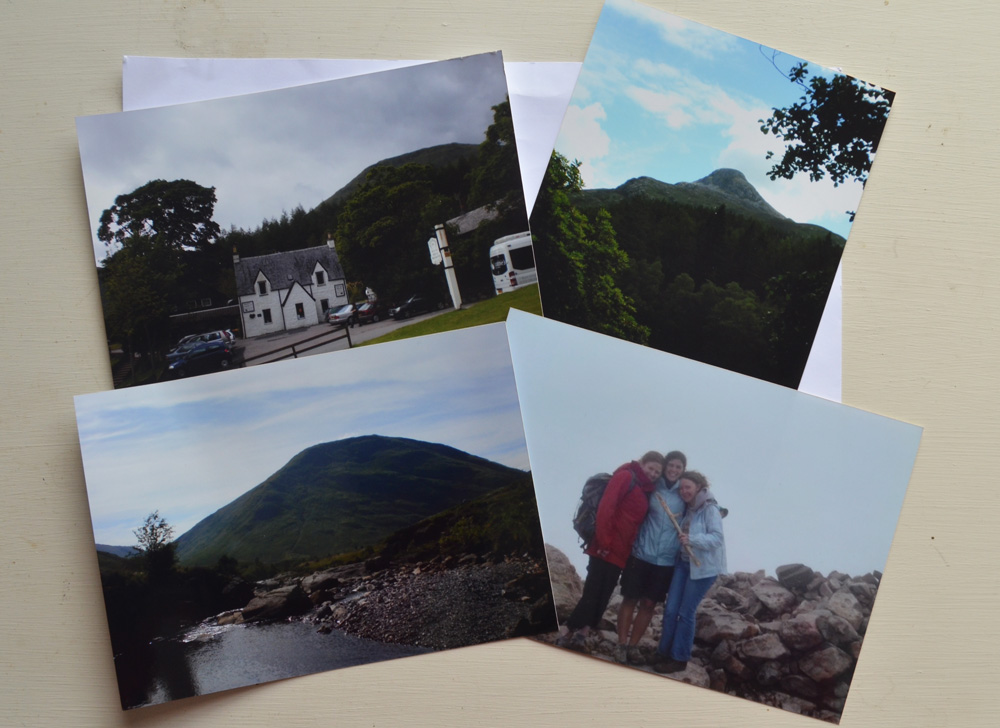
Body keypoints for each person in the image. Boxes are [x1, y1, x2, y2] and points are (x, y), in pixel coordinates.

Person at [557, 451, 665, 651]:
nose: (653, 474)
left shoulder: (645, 489)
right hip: (604, 546)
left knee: (605, 592)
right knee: (593, 591)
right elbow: (606, 507)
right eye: (651, 468)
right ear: (642, 463)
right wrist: (604, 542)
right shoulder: (625, 476)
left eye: (657, 472)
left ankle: (584, 632)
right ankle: (567, 630)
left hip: (621, 552)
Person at [613, 450, 687, 665]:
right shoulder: (652, 485)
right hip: (640, 553)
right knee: (630, 598)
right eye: (670, 465)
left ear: (683, 470)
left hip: (665, 560)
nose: (673, 470)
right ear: (664, 467)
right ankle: (621, 645)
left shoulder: (683, 492)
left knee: (648, 603)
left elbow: (700, 497)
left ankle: (634, 647)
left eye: (678, 467)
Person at [652, 470, 726, 674]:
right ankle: (663, 652)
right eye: (682, 488)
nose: (684, 491)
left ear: (698, 487)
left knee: (685, 612)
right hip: (683, 564)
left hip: (703, 568)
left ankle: (679, 658)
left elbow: (717, 538)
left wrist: (692, 539)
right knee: (670, 610)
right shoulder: (688, 507)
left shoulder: (710, 509)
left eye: (688, 487)